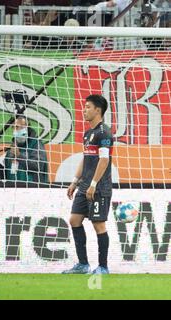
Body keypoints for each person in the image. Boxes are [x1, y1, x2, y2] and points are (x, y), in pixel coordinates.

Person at [62, 94, 113, 275]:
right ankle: (83, 265)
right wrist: (75, 182)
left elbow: (104, 161)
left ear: (97, 110)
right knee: (74, 220)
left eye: (88, 107)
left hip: (99, 187)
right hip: (85, 186)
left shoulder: (104, 133)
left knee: (98, 225)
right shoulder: (87, 133)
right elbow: (85, 159)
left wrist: (93, 184)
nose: (84, 110)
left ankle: (103, 267)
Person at [0, 116, 49, 184]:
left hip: (34, 190)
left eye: (17, 127)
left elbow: (37, 166)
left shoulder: (36, 144)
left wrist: (19, 156)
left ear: (26, 128)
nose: (15, 130)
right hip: (12, 191)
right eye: (13, 127)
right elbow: (4, 174)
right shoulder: (10, 150)